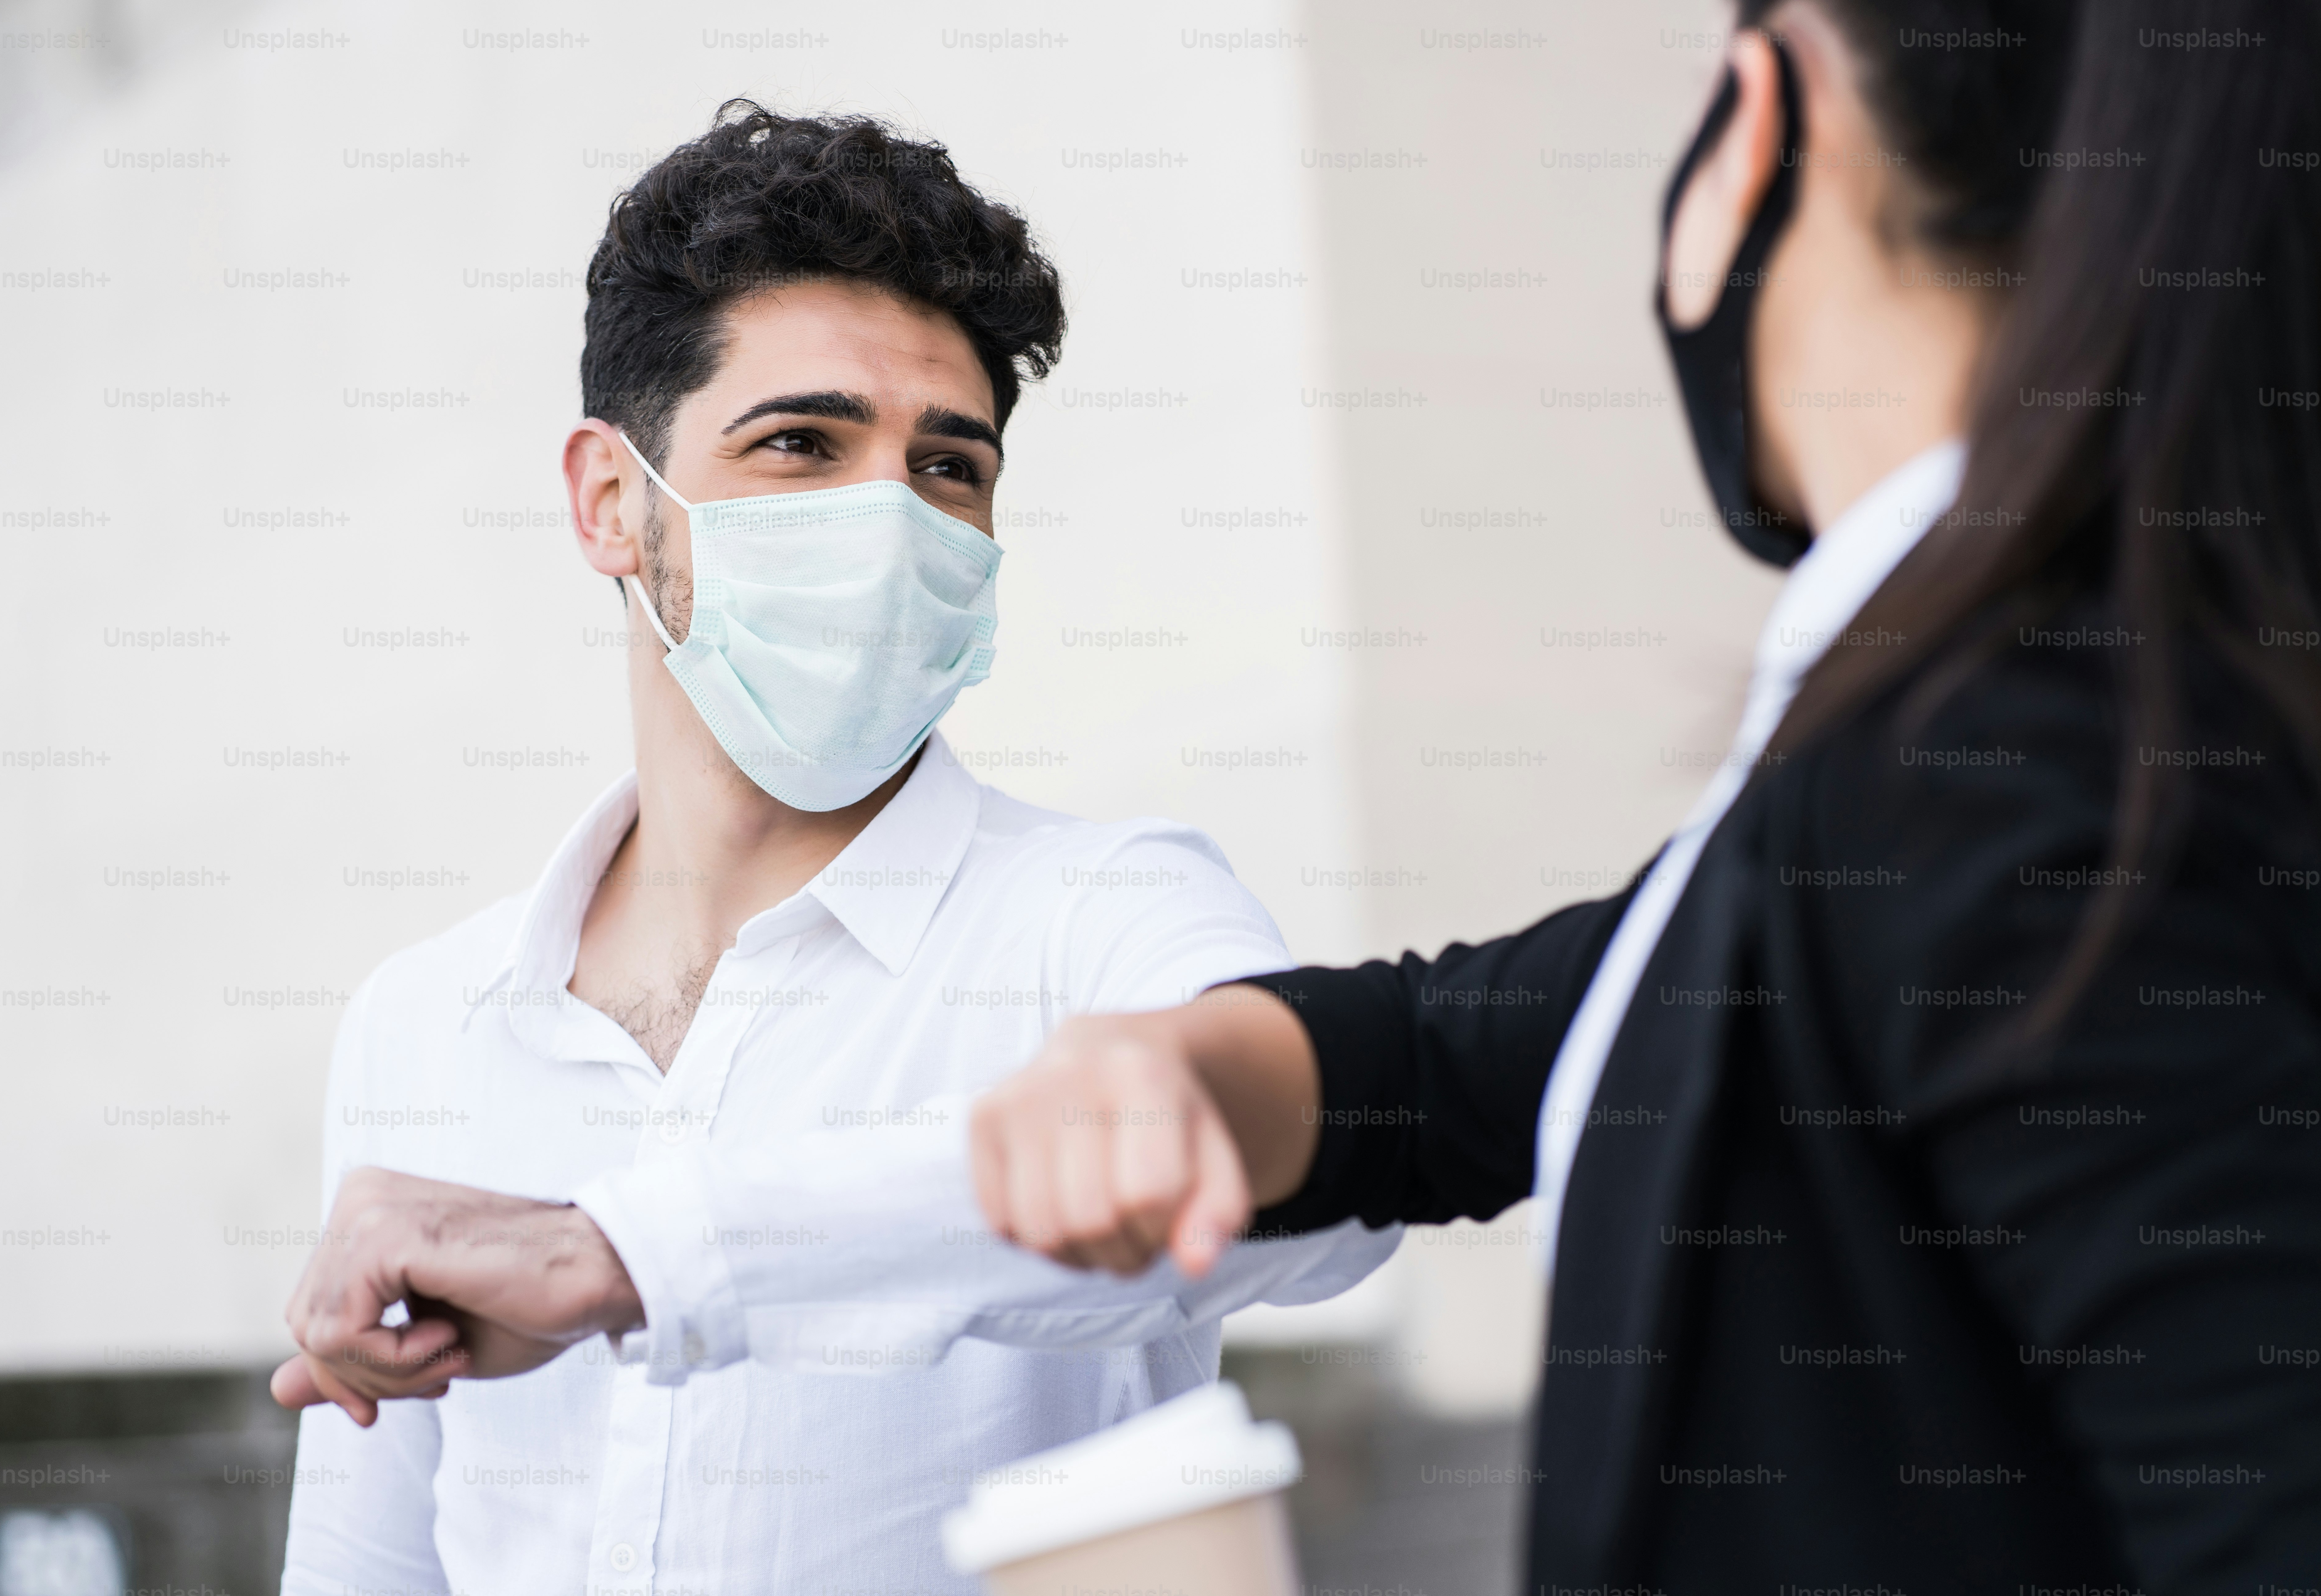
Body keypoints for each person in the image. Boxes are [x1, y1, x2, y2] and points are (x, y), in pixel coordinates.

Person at [971, 0, 2321, 1591]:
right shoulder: (1962, 736)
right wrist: (1171, 1064)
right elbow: (1466, 1051)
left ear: (1763, 117)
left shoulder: (1998, 767)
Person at [272, 102, 1393, 1596]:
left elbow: (1332, 1182)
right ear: (610, 502)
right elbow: (364, 1564)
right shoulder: (424, 1021)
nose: (888, 520)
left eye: (948, 467)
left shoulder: (1106, 913)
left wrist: (641, 1250)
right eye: (800, 444)